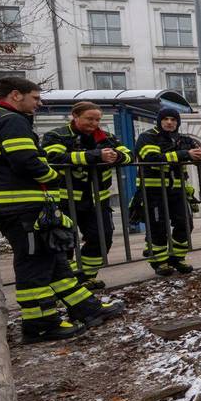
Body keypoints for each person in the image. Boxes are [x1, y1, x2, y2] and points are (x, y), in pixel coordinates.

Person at [0, 78, 125, 342]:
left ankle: (86, 308)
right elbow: (26, 160)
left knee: (53, 257)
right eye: (35, 98)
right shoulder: (11, 120)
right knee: (34, 261)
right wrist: (52, 176)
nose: (39, 103)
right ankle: (40, 323)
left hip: (2, 199)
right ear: (15, 95)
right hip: (22, 201)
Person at [42, 102, 133, 291]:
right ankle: (66, 282)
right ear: (75, 116)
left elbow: (130, 155)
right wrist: (94, 156)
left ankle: (84, 277)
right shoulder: (57, 135)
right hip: (65, 200)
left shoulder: (106, 137)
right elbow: (53, 158)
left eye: (98, 119)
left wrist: (115, 156)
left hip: (98, 200)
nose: (94, 123)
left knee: (102, 237)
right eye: (89, 119)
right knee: (65, 241)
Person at [135, 106, 201, 276]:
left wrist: (199, 156)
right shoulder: (147, 137)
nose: (169, 122)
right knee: (158, 227)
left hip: (177, 190)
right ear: (159, 121)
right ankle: (159, 262)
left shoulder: (184, 139)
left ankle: (177, 258)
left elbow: (200, 158)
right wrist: (184, 154)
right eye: (165, 119)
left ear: (177, 122)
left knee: (185, 224)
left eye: (173, 119)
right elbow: (152, 159)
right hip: (153, 191)